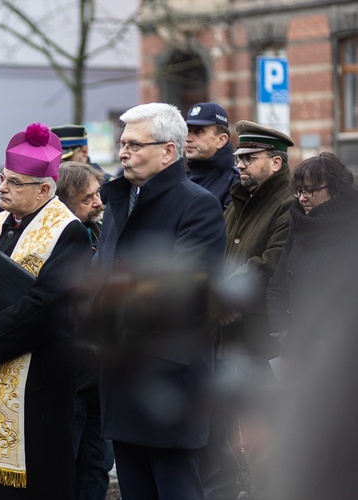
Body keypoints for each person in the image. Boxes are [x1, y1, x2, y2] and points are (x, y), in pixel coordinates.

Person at [0, 124, 92, 500]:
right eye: (2, 178)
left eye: (14, 182)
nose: (1, 188)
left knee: (32, 481)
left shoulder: (68, 232)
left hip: (35, 381)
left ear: (44, 189)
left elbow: (48, 304)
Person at [94, 103, 226, 499]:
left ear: (169, 151)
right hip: (120, 375)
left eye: (134, 144)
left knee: (175, 489)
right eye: (122, 144)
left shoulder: (196, 204)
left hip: (168, 380)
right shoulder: (121, 200)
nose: (122, 152)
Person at [204, 120, 294, 499]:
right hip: (224, 332)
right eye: (238, 156)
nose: (239, 164)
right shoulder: (236, 199)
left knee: (265, 430)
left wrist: (226, 297)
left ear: (275, 163)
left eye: (250, 157)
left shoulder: (288, 204)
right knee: (224, 430)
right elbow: (214, 258)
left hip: (259, 338)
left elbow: (268, 263)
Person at [265, 154, 358, 499]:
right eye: (298, 191)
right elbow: (277, 287)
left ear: (334, 190)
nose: (302, 199)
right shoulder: (298, 225)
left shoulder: (351, 229)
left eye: (310, 191)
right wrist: (282, 339)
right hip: (296, 355)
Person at [55, 161, 114, 500]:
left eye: (98, 194)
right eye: (88, 197)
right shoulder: (53, 240)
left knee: (97, 464)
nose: (98, 203)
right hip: (70, 376)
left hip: (100, 376)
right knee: (66, 464)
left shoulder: (100, 231)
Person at [184, 102, 240, 209]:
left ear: (221, 140)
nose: (188, 138)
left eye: (198, 132)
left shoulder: (235, 184)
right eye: (188, 131)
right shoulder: (184, 178)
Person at [51, 124, 111, 200]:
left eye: (67, 159)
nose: (61, 164)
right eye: (57, 159)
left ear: (84, 151)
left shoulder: (107, 185)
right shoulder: (50, 183)